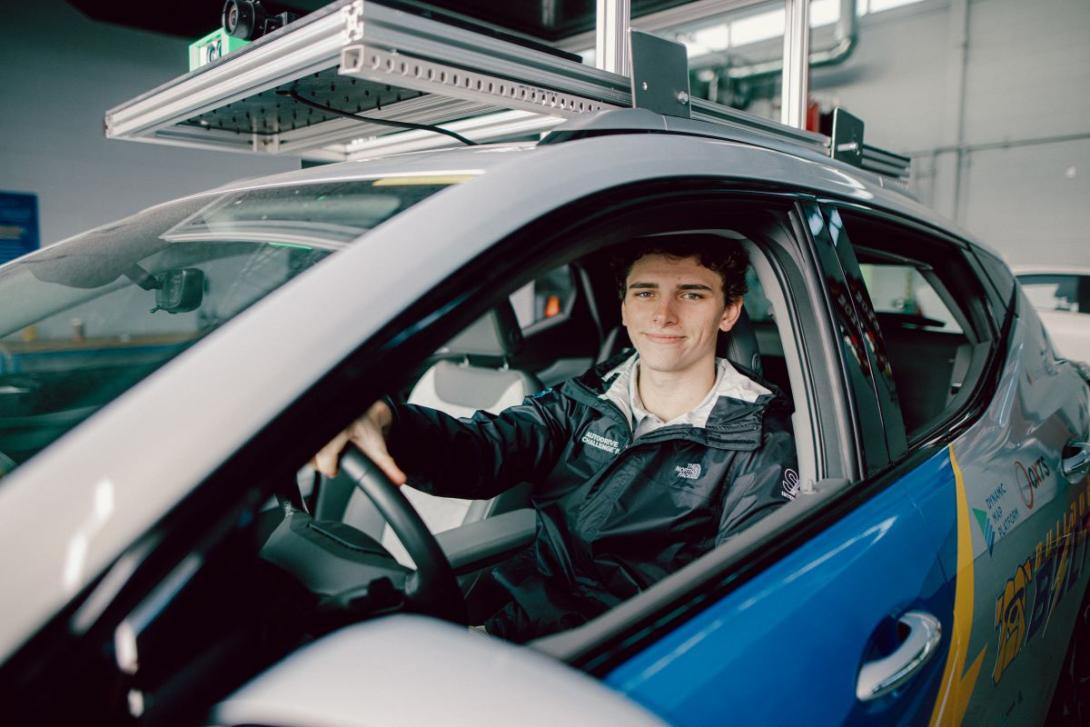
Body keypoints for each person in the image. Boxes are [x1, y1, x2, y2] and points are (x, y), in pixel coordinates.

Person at [314, 236, 797, 642]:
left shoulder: (756, 441)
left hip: (628, 647)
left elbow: (739, 600)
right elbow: (480, 450)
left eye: (691, 294)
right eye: (645, 293)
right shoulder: (581, 400)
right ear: (625, 309)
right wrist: (389, 420)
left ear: (729, 312)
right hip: (521, 622)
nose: (664, 315)